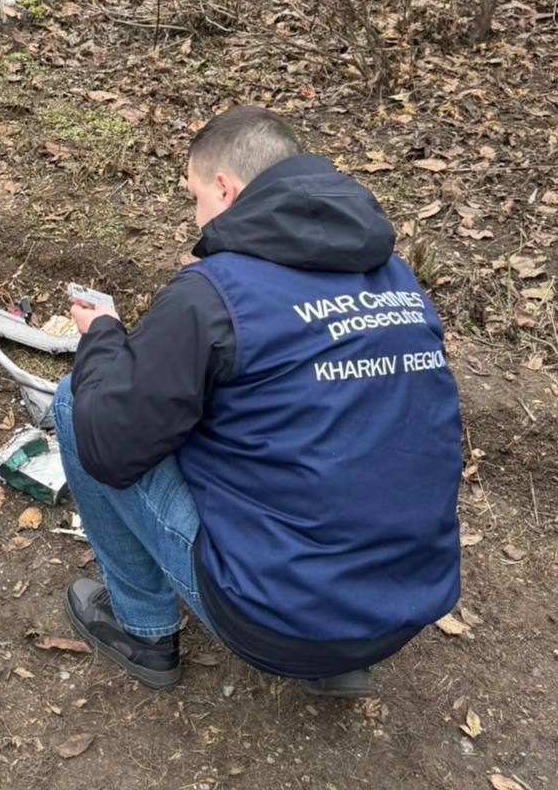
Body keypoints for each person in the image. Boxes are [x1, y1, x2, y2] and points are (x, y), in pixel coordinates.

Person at [58, 106, 462, 696]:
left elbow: (110, 445)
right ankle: (337, 655)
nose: (195, 217)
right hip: (405, 606)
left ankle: (142, 629)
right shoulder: (397, 280)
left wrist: (102, 336)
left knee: (77, 405)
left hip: (277, 623)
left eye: (195, 196)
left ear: (224, 189)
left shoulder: (212, 295)